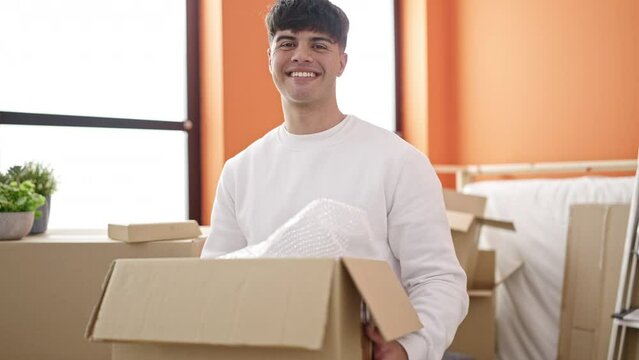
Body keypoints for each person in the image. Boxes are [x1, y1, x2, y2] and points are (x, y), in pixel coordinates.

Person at [201, 0, 469, 358]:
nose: (301, 55)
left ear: (341, 61)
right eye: (287, 43)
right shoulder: (240, 171)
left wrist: (409, 347)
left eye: (319, 45)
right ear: (269, 58)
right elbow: (215, 281)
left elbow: (439, 280)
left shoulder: (398, 161)